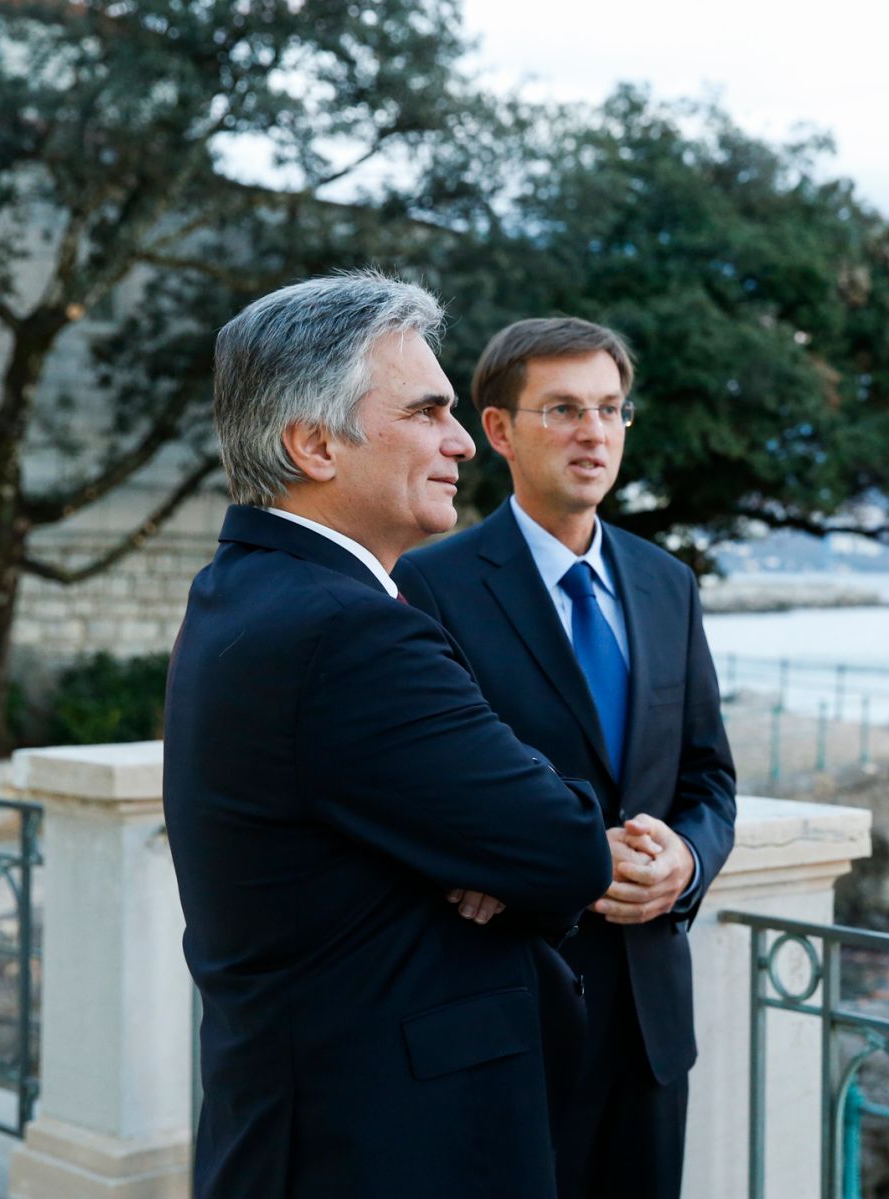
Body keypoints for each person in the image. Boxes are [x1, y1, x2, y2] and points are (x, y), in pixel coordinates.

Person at [164, 272, 613, 1199]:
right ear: (314, 443)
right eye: (426, 411)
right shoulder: (347, 629)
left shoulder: (244, 589)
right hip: (383, 1145)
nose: (461, 443)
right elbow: (568, 844)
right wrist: (506, 858)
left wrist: (492, 853)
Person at [394, 317, 737, 1199]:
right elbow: (420, 794)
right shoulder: (429, 585)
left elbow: (708, 775)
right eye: (564, 410)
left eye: (611, 409)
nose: (594, 432)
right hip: (510, 1003)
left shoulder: (669, 583)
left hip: (652, 1017)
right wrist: (506, 864)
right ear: (500, 429)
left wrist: (687, 861)